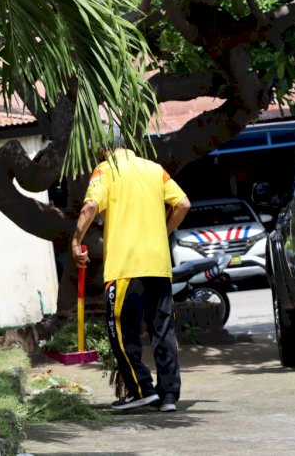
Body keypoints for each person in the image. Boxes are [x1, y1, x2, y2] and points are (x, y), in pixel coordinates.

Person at [71, 133, 191, 412]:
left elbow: (90, 206)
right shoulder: (154, 169)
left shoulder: (104, 170)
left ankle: (141, 390)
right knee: (163, 330)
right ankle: (169, 396)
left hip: (125, 268)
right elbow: (183, 203)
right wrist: (164, 230)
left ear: (102, 148)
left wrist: (76, 241)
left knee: (122, 332)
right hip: (158, 265)